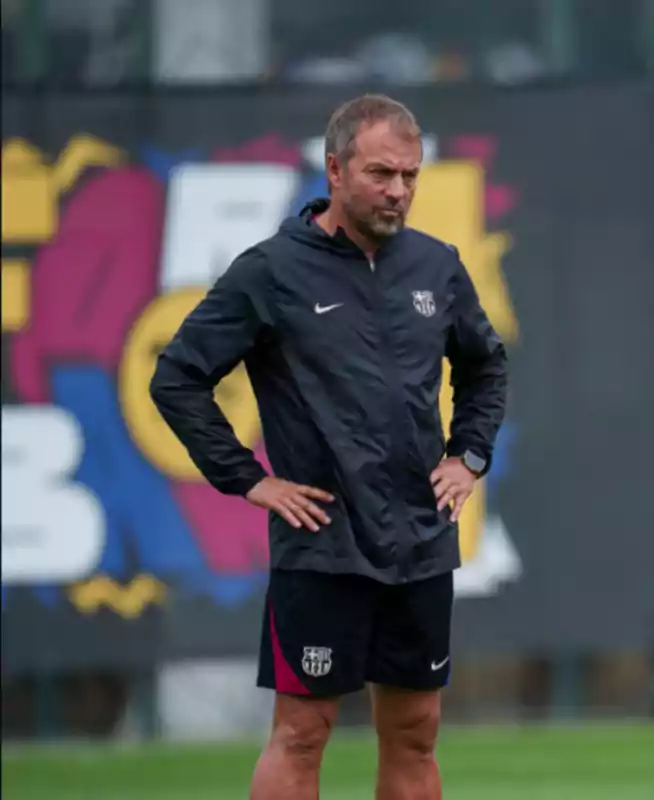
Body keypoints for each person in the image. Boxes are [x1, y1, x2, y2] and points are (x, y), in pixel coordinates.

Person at [150, 94, 507, 800]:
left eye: (410, 175)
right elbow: (178, 377)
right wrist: (249, 480)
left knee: (415, 732)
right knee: (302, 733)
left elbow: (486, 364)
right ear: (335, 169)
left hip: (419, 540)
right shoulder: (271, 271)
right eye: (382, 174)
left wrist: (468, 456)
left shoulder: (438, 266)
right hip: (321, 542)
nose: (399, 191)